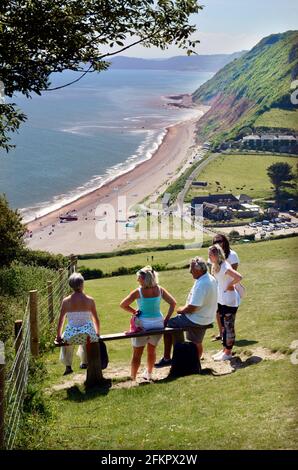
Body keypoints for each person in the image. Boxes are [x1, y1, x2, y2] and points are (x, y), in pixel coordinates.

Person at [155, 257, 218, 367]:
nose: (190, 272)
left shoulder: (202, 284)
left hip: (196, 318)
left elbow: (193, 307)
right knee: (196, 341)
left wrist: (180, 310)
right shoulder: (210, 278)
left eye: (192, 269)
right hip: (207, 317)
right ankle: (195, 362)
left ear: (199, 270)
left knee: (170, 324)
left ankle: (168, 358)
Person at [120, 266, 176, 381]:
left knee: (137, 354)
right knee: (152, 351)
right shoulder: (159, 289)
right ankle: (149, 374)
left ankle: (133, 378)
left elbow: (123, 304)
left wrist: (134, 311)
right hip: (158, 324)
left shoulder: (138, 291)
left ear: (144, 279)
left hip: (143, 326)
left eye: (139, 278)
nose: (137, 280)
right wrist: (166, 320)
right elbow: (173, 303)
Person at [56, 273, 100, 375]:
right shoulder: (90, 300)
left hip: (71, 335)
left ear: (70, 285)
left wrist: (58, 336)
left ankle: (68, 366)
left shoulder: (66, 301)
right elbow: (96, 319)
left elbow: (61, 320)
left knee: (66, 341)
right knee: (85, 337)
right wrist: (97, 333)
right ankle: (84, 362)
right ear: (82, 284)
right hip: (88, 335)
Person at [208, 244, 243, 361]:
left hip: (229, 300)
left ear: (217, 255)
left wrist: (230, 285)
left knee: (228, 326)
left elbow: (238, 277)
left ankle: (228, 352)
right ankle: (224, 350)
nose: (209, 257)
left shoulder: (224, 266)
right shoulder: (216, 266)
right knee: (223, 326)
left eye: (211, 255)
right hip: (222, 299)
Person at [211, 233, 240, 341]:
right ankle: (221, 333)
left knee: (228, 315)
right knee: (218, 312)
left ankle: (228, 338)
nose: (217, 243)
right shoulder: (214, 255)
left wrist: (228, 286)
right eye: (215, 242)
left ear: (225, 242)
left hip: (228, 289)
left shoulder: (232, 255)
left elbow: (234, 273)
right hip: (218, 288)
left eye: (219, 241)